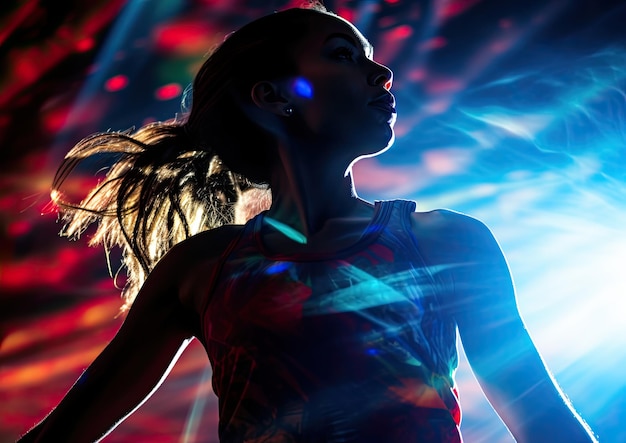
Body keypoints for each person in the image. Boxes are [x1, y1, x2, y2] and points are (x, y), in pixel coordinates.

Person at [19, 3, 597, 442]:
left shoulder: (449, 242)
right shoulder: (201, 269)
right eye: (344, 55)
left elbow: (543, 420)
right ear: (272, 97)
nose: (383, 73)